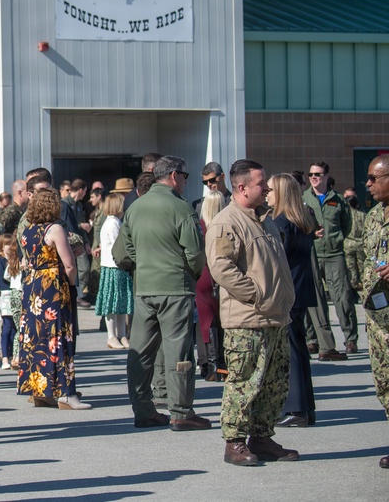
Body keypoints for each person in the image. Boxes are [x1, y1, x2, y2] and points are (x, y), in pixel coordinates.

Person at [206, 160, 298, 466]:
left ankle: (261, 437)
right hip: (247, 320)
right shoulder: (227, 222)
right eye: (261, 183)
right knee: (244, 383)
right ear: (242, 187)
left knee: (274, 383)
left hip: (275, 317)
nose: (267, 188)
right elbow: (222, 268)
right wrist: (256, 295)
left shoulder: (265, 219)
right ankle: (234, 442)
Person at [117, 155, 209, 431]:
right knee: (178, 351)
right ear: (173, 175)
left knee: (140, 352)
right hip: (175, 288)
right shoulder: (181, 207)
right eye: (185, 176)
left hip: (144, 288)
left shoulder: (135, 207)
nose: (185, 181)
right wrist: (190, 273)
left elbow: (122, 252)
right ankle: (181, 411)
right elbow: (195, 253)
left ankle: (143, 410)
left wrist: (143, 266)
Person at [17, 187, 90, 410]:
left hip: (32, 287)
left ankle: (41, 391)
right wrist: (71, 284)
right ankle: (66, 393)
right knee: (59, 337)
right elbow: (69, 265)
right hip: (52, 287)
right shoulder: (55, 229)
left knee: (37, 338)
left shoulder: (28, 230)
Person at [267, 173, 318, 429]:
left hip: (288, 292)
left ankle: (297, 408)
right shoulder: (302, 219)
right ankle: (305, 407)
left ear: (281, 193)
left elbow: (276, 261)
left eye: (270, 190)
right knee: (298, 348)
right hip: (301, 289)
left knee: (291, 350)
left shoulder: (280, 222)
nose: (266, 194)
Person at [303, 161, 358, 354]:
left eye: (317, 174)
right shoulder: (304, 199)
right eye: (310, 174)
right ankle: (313, 339)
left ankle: (350, 339)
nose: (313, 177)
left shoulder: (338, 199)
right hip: (313, 254)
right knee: (313, 299)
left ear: (326, 176)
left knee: (342, 297)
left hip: (335, 255)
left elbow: (346, 225)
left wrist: (335, 240)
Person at [362, 156, 389, 469]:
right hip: (379, 318)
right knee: (384, 382)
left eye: (374, 178)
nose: (368, 184)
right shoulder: (372, 216)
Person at [194, 191, 225, 382]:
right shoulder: (225, 224)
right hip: (221, 272)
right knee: (222, 318)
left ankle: (212, 364)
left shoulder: (200, 226)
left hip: (204, 274)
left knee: (207, 320)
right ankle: (221, 363)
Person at [95, 193, 132, 350]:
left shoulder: (115, 222)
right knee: (112, 303)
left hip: (117, 267)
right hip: (113, 267)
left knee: (121, 303)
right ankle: (111, 335)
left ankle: (121, 334)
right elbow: (119, 245)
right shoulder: (112, 224)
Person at [0, 233, 21, 370]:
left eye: (12, 244)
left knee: (15, 328)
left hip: (15, 294)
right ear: (1, 246)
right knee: (7, 327)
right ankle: (5, 356)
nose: (10, 247)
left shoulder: (15, 258)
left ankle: (12, 355)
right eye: (7, 244)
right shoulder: (1, 260)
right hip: (6, 294)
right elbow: (3, 278)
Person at [344, 191, 367, 294]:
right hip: (360, 243)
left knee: (350, 266)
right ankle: (364, 284)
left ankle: (353, 287)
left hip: (348, 243)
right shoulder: (363, 215)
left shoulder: (346, 215)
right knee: (362, 266)